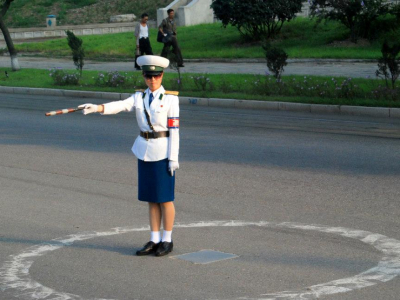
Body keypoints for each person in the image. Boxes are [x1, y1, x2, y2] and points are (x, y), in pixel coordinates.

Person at [78, 55, 180, 257]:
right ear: (144, 76)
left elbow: (175, 131)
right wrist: (98, 107)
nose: (153, 80)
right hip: (144, 151)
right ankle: (154, 239)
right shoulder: (139, 97)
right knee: (151, 199)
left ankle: (167, 240)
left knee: (165, 199)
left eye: (157, 76)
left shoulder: (170, 99)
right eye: (149, 77)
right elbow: (120, 105)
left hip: (162, 152)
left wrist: (173, 158)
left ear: (162, 76)